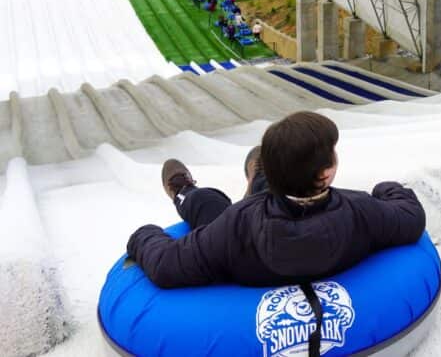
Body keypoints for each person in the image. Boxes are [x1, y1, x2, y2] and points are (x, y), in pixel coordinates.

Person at [125, 111, 425, 288]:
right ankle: (259, 173)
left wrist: (144, 235)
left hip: (251, 235)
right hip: (274, 217)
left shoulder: (235, 224)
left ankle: (184, 192)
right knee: (261, 193)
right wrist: (386, 188)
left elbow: (165, 265)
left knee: (206, 202)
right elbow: (411, 215)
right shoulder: (361, 210)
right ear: (327, 172)